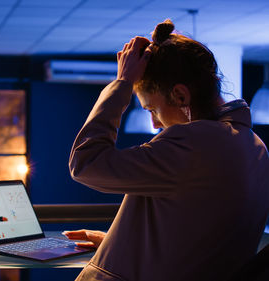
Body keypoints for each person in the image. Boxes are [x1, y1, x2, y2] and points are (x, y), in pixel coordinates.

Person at [64, 19, 269, 281]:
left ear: (180, 96)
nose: (154, 123)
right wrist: (117, 241)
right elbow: (199, 240)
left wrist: (123, 83)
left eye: (152, 109)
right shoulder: (255, 147)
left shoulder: (195, 143)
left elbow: (85, 163)